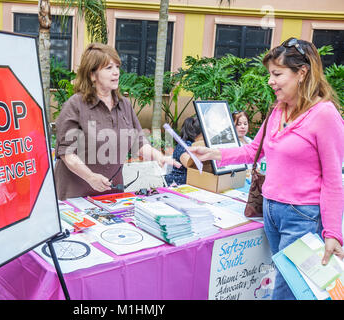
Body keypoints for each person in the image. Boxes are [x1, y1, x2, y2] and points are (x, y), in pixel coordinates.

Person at [189, 38, 344, 300]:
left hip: (301, 216)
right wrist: (213, 153)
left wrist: (333, 233)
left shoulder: (324, 115)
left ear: (302, 73)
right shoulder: (278, 110)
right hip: (270, 210)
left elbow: (333, 180)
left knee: (286, 291)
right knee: (287, 286)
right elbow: (253, 151)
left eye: (277, 74)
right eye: (270, 74)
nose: (270, 81)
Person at [54, 43, 180, 200]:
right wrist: (91, 177)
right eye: (108, 68)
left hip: (112, 192)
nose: (116, 73)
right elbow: (67, 153)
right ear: (92, 75)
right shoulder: (75, 105)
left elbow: (138, 142)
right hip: (76, 193)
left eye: (117, 67)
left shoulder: (124, 104)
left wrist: (158, 157)